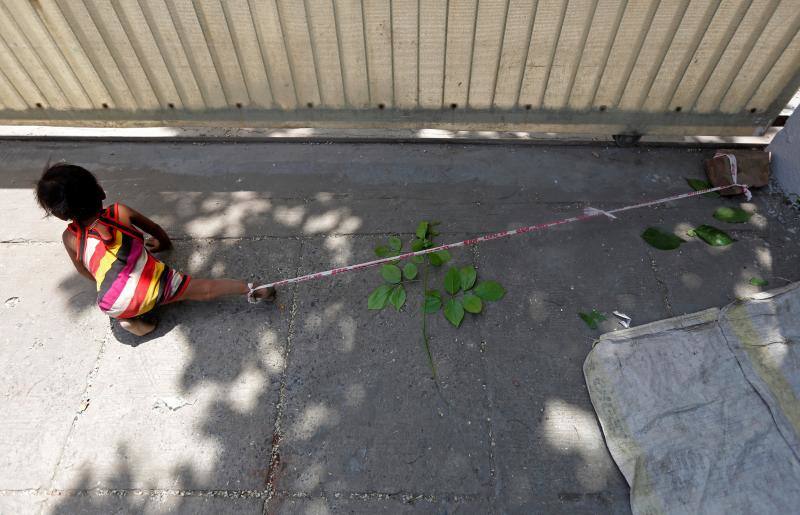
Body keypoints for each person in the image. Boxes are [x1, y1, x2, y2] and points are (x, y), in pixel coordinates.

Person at [35, 163, 275, 336]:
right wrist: (163, 244)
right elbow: (156, 230)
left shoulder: (70, 238)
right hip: (155, 285)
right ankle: (254, 289)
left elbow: (87, 272)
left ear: (59, 214)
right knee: (205, 289)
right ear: (99, 191)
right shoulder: (120, 212)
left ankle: (135, 324)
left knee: (130, 314)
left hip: (113, 303)